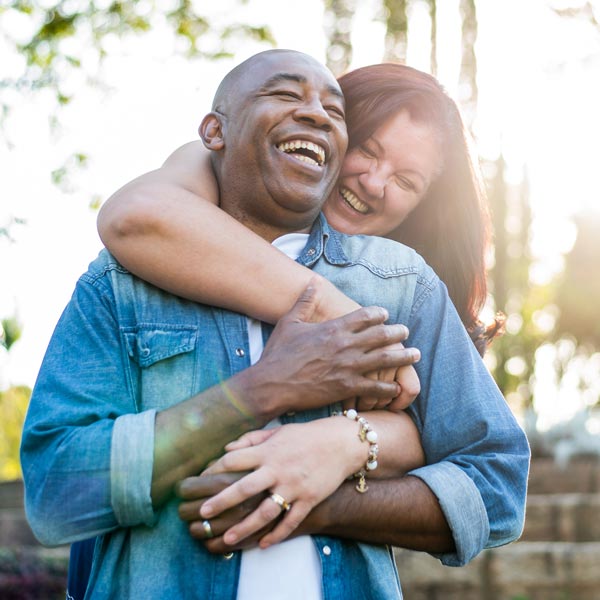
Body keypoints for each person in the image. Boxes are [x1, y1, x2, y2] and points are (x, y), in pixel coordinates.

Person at [21, 50, 529, 599]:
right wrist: (274, 380)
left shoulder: (403, 285)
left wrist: (334, 461)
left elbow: (487, 469)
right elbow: (56, 490)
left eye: (406, 181)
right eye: (368, 149)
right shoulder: (135, 270)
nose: (375, 182)